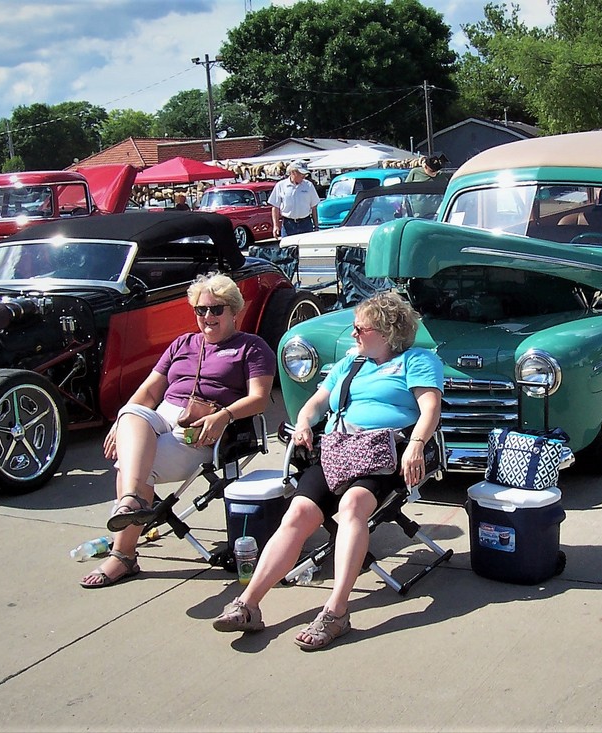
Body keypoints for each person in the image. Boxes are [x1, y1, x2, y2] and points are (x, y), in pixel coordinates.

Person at [211, 291, 443, 650]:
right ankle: (249, 603)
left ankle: (336, 612)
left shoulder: (417, 361)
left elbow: (430, 409)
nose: (353, 335)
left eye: (360, 329)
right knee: (299, 513)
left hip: (385, 454)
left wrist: (415, 444)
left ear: (387, 331)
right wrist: (303, 423)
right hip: (338, 450)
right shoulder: (350, 363)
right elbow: (316, 404)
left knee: (353, 506)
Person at [80, 273, 276, 588]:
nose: (208, 316)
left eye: (216, 309)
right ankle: (132, 503)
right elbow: (147, 392)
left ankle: (123, 553)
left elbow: (259, 398)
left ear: (234, 310)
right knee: (131, 413)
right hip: (162, 416)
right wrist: (120, 421)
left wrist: (224, 415)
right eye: (201, 310)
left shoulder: (251, 348)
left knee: (134, 469)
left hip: (202, 427)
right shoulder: (182, 344)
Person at [268, 161, 320, 237]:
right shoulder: (281, 185)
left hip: (306, 223)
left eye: (304, 174)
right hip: (288, 224)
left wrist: (316, 226)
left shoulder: (308, 185)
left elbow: (314, 207)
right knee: (287, 247)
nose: (304, 176)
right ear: (293, 172)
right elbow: (275, 207)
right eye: (301, 173)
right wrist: (275, 226)